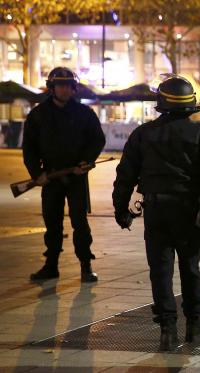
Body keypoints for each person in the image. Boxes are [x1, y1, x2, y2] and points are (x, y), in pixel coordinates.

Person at [112, 75, 200, 352]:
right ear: (190, 104)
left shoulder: (142, 135)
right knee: (190, 266)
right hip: (189, 210)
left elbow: (125, 176)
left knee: (160, 270)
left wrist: (120, 208)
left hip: (156, 210)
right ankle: (194, 322)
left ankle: (167, 329)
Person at [23, 67, 106, 283]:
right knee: (52, 222)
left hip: (77, 177)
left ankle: (86, 265)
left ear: (73, 88)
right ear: (52, 88)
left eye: (68, 85)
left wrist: (86, 162)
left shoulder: (84, 113)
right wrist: (37, 173)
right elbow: (29, 149)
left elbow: (97, 140)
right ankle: (51, 266)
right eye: (60, 85)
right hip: (50, 177)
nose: (64, 89)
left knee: (80, 222)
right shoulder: (38, 114)